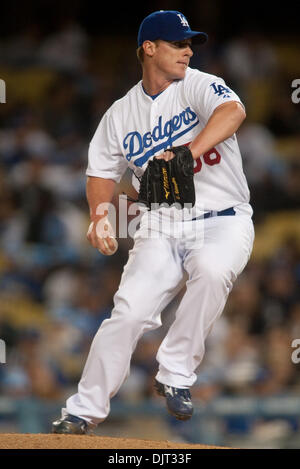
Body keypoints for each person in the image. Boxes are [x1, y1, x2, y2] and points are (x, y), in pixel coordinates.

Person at [52, 10, 255, 434]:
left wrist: (188, 152)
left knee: (213, 271)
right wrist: (100, 215)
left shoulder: (197, 83)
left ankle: (176, 373)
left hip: (223, 218)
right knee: (128, 314)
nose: (187, 51)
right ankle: (82, 410)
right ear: (149, 48)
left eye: (189, 44)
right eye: (178, 44)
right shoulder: (120, 114)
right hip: (160, 224)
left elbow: (233, 111)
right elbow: (101, 173)